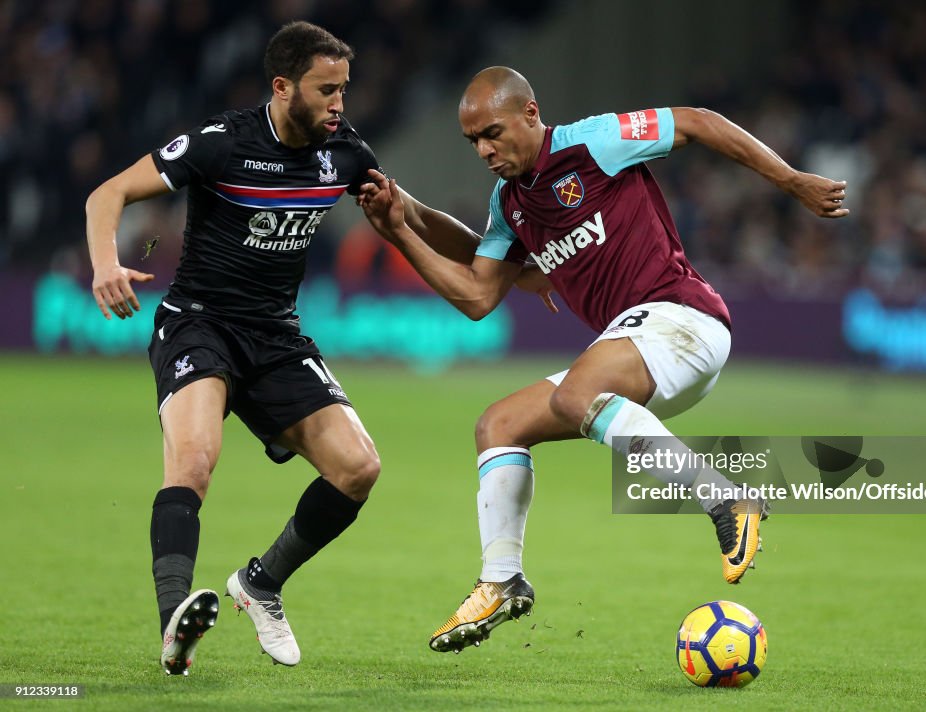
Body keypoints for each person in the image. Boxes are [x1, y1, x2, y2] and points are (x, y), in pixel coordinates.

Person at [359, 66, 849, 654]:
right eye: (473, 141)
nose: (484, 150)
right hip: (637, 351)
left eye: (492, 132)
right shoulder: (510, 202)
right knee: (498, 426)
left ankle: (725, 497)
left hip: (681, 318)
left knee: (573, 395)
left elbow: (697, 123)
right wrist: (401, 224)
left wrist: (791, 181)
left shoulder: (592, 141)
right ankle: (501, 581)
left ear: (531, 114)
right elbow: (477, 294)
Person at [85, 21, 482, 675]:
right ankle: (173, 628)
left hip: (275, 336)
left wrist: (508, 259)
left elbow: (414, 215)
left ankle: (261, 583)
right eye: (327, 91)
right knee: (194, 462)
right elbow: (110, 193)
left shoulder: (344, 151)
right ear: (282, 87)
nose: (340, 105)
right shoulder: (221, 142)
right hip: (199, 324)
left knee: (358, 468)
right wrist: (105, 263)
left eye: (344, 90)